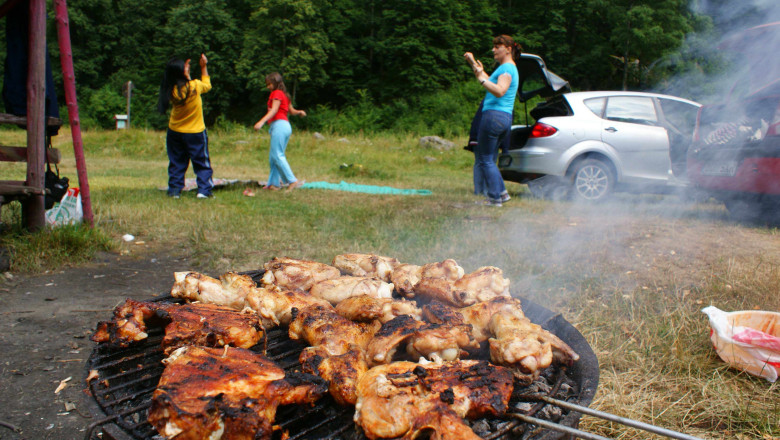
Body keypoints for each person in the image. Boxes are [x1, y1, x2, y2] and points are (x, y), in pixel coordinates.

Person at [464, 35, 521, 206]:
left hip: (493, 116)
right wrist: (474, 64)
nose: (493, 50)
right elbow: (490, 81)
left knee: (485, 159)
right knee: (488, 158)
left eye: (498, 46)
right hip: (504, 118)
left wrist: (481, 79)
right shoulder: (507, 68)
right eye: (494, 46)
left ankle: (495, 198)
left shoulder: (506, 69)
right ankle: (501, 194)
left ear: (508, 49)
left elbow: (499, 90)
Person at [157, 54, 214, 199]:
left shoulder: (171, 90)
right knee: (201, 162)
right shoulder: (194, 86)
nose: (188, 66)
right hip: (195, 132)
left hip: (175, 131)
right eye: (186, 66)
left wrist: (184, 70)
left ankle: (175, 190)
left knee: (176, 162)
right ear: (182, 72)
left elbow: (180, 81)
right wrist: (203, 67)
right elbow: (207, 85)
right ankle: (204, 190)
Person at [253, 72, 306, 191]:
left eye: (269, 84)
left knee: (277, 155)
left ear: (276, 83)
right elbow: (291, 111)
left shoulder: (276, 93)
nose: (268, 87)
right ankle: (273, 184)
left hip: (280, 125)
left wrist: (261, 122)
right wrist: (300, 112)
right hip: (284, 126)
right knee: (274, 157)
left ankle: (292, 181)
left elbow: (274, 110)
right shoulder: (285, 95)